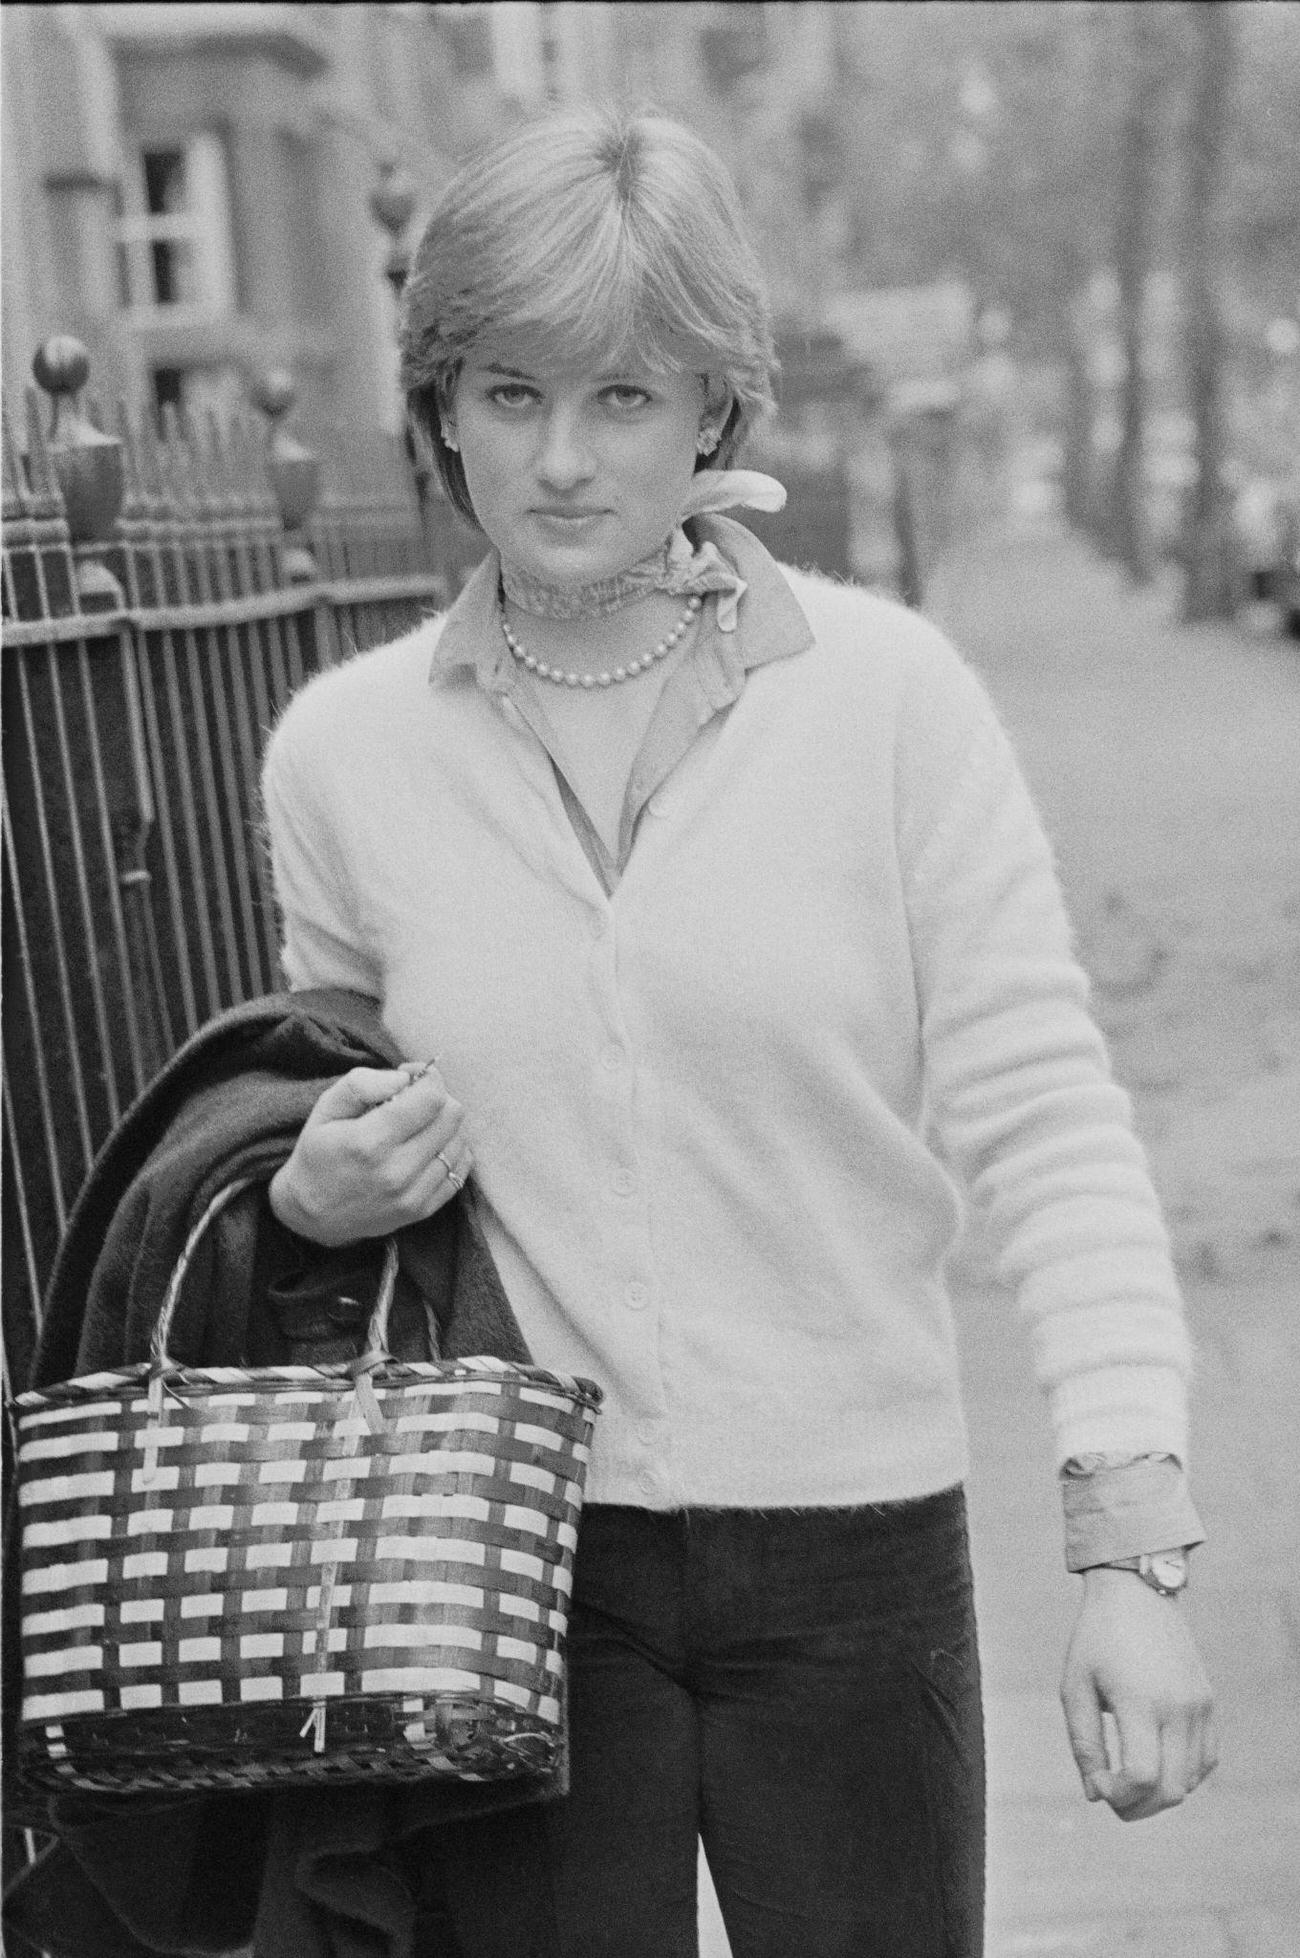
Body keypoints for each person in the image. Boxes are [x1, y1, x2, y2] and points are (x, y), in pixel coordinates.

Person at [260, 105, 1216, 1958]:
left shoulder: (887, 703)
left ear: (713, 411)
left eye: (623, 397)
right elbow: (324, 1204)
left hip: (855, 1545)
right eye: (511, 390)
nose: (558, 458)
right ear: (440, 404)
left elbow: (1048, 1120)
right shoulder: (344, 758)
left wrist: (1130, 1554)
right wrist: (307, 1197)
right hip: (519, 1567)